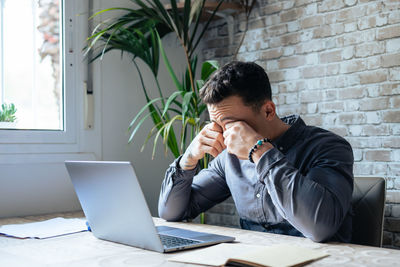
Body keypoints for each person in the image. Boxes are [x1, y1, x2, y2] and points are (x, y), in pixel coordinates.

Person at [158, 61, 354, 243]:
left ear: (268, 111)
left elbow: (320, 227)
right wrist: (189, 158)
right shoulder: (229, 159)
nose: (223, 134)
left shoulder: (328, 147)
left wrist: (260, 152)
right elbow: (171, 212)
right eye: (215, 125)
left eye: (231, 124)